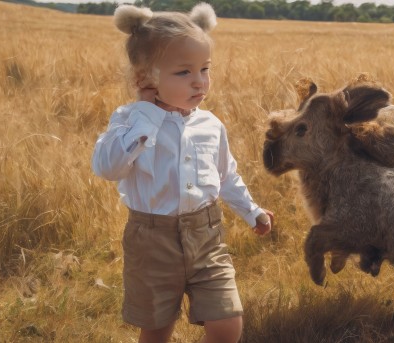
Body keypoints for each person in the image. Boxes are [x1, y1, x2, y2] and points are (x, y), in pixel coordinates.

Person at [92, 3, 273, 343]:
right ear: (145, 77)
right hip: (152, 240)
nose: (199, 82)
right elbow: (107, 167)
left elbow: (225, 175)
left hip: (206, 235)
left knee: (227, 322)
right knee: (158, 329)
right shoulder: (130, 120)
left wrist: (252, 211)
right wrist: (147, 114)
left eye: (204, 69)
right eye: (183, 73)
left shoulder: (210, 124)